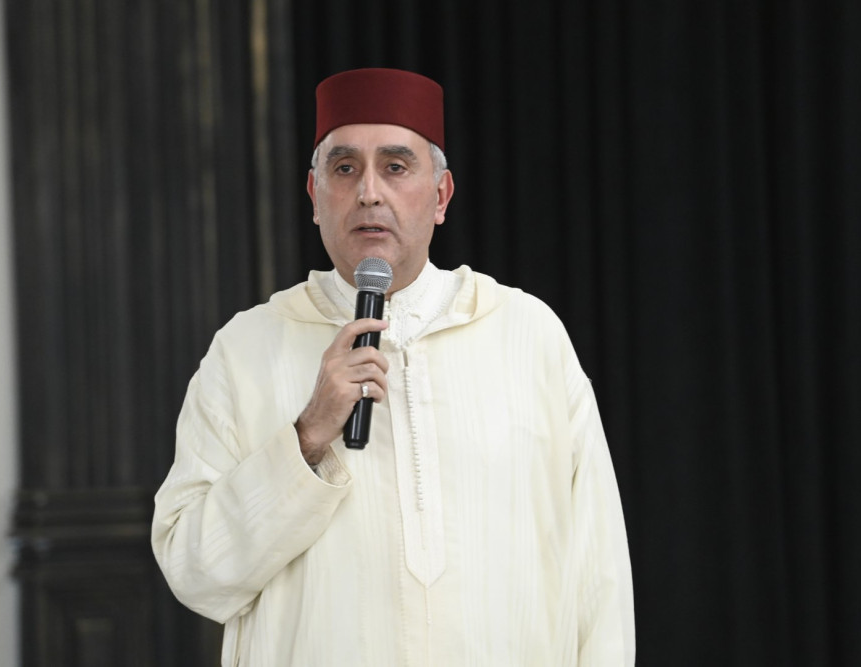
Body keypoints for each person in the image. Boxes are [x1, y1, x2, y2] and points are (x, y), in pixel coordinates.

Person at [152, 67, 635, 666]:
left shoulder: (527, 335)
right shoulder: (246, 350)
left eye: (396, 166)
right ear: (314, 197)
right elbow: (194, 572)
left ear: (441, 196)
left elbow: (598, 573)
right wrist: (307, 436)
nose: (369, 193)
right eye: (344, 168)